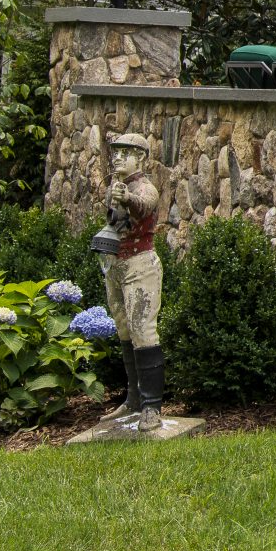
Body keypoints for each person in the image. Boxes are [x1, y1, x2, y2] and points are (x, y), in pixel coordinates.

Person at [95, 132, 165, 433]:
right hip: (116, 264)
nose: (118, 158)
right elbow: (116, 221)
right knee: (124, 327)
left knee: (143, 329)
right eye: (116, 153)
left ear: (141, 158)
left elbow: (144, 206)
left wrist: (127, 198)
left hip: (140, 264)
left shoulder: (146, 188)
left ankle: (152, 407)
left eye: (126, 153)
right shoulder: (113, 187)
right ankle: (134, 399)